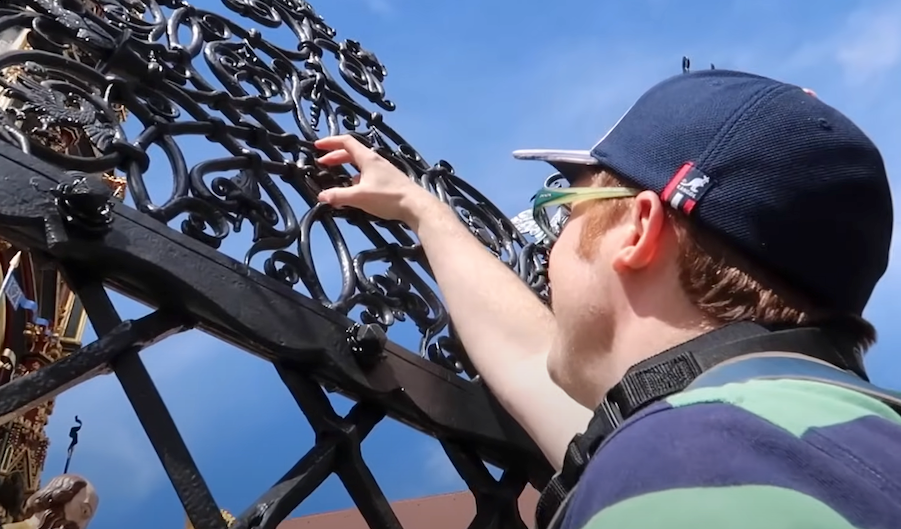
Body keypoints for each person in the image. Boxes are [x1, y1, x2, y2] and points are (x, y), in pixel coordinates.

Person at [313, 69, 901, 529]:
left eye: (563, 215)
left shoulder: (689, 461)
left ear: (640, 229)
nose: (548, 251)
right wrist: (423, 212)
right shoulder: (789, 428)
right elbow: (532, 364)